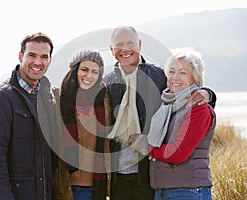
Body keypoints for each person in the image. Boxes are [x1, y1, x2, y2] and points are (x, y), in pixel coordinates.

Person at [104, 26, 216, 200]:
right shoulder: (107, 82)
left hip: (150, 175)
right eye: (119, 45)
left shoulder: (159, 76)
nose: (125, 49)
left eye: (130, 43)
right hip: (120, 176)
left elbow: (184, 90)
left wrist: (208, 93)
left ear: (139, 45)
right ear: (111, 50)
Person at [0, 32, 55, 199]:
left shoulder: (47, 97)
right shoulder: (1, 99)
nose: (37, 62)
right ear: (21, 56)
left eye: (44, 57)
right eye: (32, 55)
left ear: (50, 60)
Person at [148, 47, 216, 200]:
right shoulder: (167, 106)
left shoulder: (199, 109)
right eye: (171, 71)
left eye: (182, 73)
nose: (175, 77)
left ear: (195, 77)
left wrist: (146, 146)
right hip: (163, 189)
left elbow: (177, 154)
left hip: (188, 191)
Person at [56, 50, 111, 200]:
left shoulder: (105, 100)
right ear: (75, 71)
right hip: (65, 184)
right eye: (84, 70)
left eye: (95, 72)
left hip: (94, 186)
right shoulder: (58, 100)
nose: (89, 76)